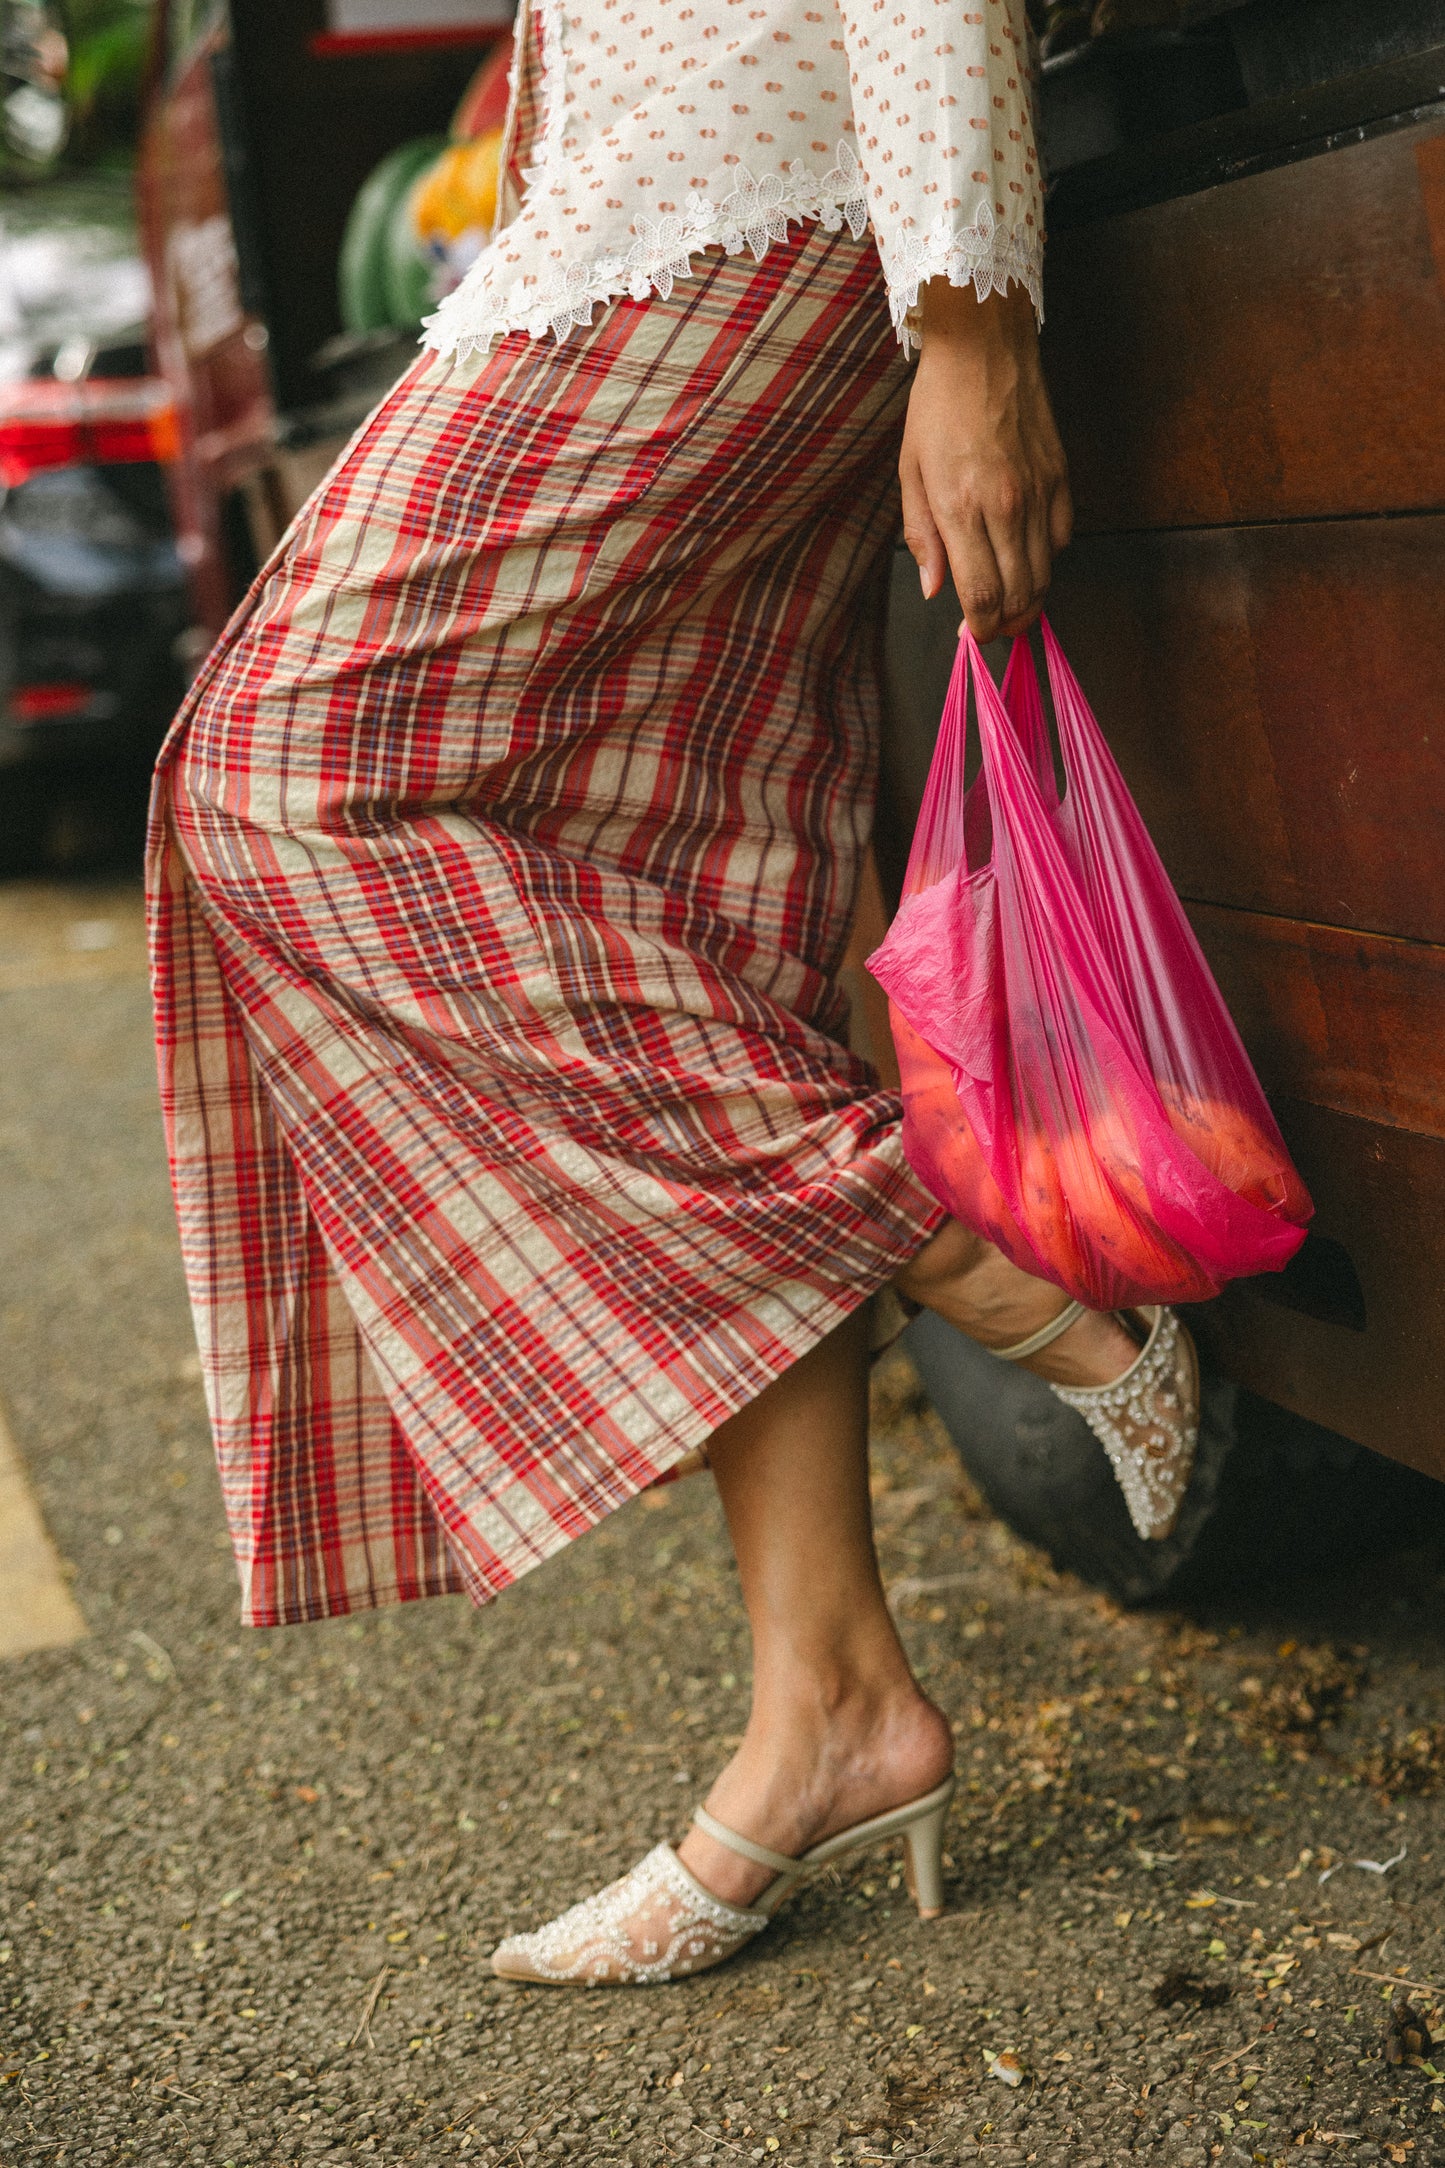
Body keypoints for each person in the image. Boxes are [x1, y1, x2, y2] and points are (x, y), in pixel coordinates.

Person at [147, 0, 1197, 1988]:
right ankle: (833, 1708)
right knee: (685, 905)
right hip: (688, 189)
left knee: (276, 772)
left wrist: (972, 323)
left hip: (738, 194)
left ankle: (935, 1231)